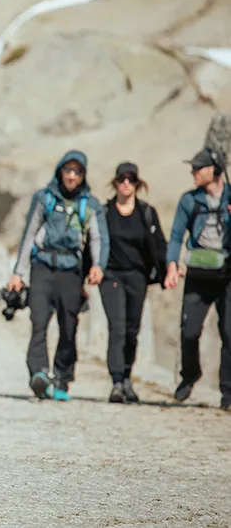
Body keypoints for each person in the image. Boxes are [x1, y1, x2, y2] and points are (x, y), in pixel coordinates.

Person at [8, 150, 109, 401]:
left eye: (77, 172)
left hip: (71, 271)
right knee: (39, 321)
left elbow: (98, 237)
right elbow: (29, 234)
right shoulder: (44, 199)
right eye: (68, 170)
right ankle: (39, 373)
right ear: (59, 171)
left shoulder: (90, 205)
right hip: (42, 266)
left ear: (83, 175)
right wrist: (18, 273)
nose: (72, 176)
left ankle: (62, 377)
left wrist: (98, 265)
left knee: (68, 326)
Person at [164, 147, 231, 411]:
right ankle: (190, 375)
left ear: (214, 170)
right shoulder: (189, 201)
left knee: (229, 333)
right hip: (197, 275)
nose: (192, 172)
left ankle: (228, 392)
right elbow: (177, 235)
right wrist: (171, 265)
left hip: (227, 276)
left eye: (198, 168)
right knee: (189, 331)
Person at [99, 162, 168, 404]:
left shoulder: (146, 213)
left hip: (137, 277)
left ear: (137, 184)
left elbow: (160, 245)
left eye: (130, 179)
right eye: (121, 179)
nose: (126, 183)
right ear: (115, 183)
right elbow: (93, 242)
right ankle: (116, 381)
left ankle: (127, 376)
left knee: (132, 330)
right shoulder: (105, 212)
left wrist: (168, 270)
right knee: (117, 328)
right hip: (111, 277)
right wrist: (90, 270)